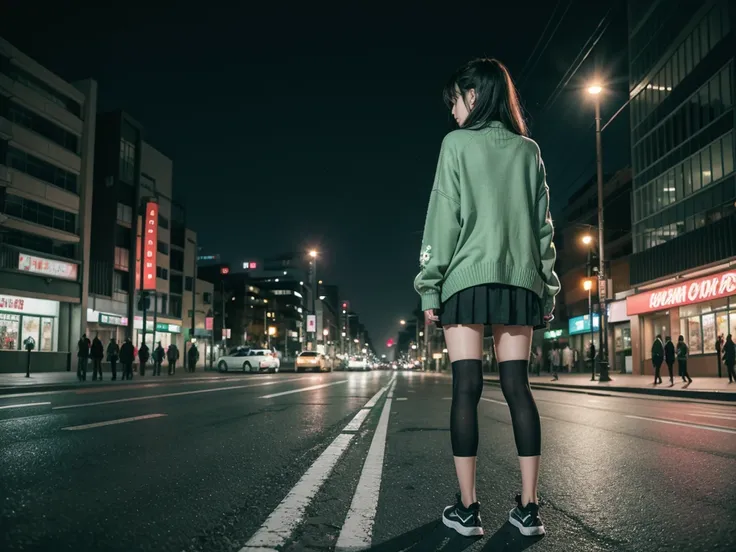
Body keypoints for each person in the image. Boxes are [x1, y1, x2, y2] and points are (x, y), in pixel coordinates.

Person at [414, 58, 559, 538]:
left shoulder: (455, 145)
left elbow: (443, 218)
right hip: (520, 286)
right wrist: (548, 288)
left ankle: (468, 509)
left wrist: (429, 284)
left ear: (473, 95)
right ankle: (530, 509)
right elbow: (543, 229)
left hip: (465, 283)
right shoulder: (528, 150)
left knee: (466, 389)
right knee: (519, 389)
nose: (452, 110)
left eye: (455, 99)